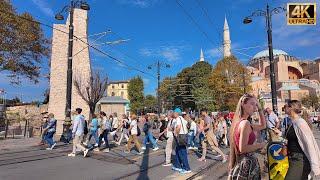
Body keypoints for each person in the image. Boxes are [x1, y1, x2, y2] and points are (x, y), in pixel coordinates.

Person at [228, 94, 266, 180]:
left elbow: (263, 125)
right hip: (247, 164)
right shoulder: (245, 124)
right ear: (243, 104)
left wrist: (259, 108)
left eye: (255, 105)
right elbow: (243, 148)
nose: (255, 108)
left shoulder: (239, 122)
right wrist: (261, 145)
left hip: (242, 163)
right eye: (252, 104)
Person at [284, 100, 320, 179]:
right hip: (293, 157)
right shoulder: (293, 122)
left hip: (299, 159)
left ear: (291, 108)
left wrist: (315, 165)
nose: (284, 108)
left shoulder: (300, 123)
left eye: (285, 106)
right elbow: (292, 138)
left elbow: (309, 143)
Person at [172, 110, 191, 174]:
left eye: (174, 112)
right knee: (178, 151)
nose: (173, 113)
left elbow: (179, 127)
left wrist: (176, 134)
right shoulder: (182, 118)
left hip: (180, 137)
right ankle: (178, 166)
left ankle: (187, 168)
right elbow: (186, 124)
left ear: (176, 113)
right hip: (183, 136)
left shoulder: (178, 119)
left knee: (182, 153)